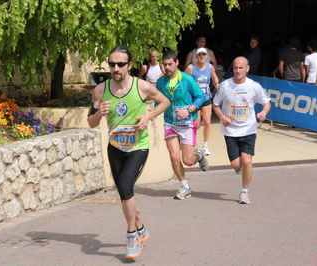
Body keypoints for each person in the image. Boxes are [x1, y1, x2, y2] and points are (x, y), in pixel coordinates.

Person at [87, 46, 170, 258]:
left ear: (130, 65)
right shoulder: (100, 90)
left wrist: (148, 117)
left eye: (121, 64)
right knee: (125, 194)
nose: (116, 68)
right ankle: (142, 228)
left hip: (137, 147)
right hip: (115, 148)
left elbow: (165, 102)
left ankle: (132, 236)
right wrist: (99, 114)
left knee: (125, 186)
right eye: (112, 64)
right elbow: (91, 122)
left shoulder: (141, 87)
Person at [212, 57, 271, 204]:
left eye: (240, 68)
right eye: (235, 68)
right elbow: (215, 105)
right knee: (236, 165)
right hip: (230, 130)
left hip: (248, 129)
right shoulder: (225, 86)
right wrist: (222, 117)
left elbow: (267, 103)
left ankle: (244, 192)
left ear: (247, 69)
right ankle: (241, 169)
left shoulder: (254, 86)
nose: (237, 71)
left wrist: (263, 113)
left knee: (247, 160)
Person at [155, 50, 208, 200]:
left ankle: (199, 156)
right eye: (164, 64)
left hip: (187, 123)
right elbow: (158, 99)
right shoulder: (161, 82)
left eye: (170, 64)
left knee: (188, 161)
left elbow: (201, 96)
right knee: (173, 156)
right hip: (170, 123)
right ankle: (185, 187)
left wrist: (190, 109)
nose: (167, 67)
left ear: (177, 63)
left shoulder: (187, 79)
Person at [184, 47, 220, 155]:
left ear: (207, 56)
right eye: (200, 55)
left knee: (208, 122)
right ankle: (193, 143)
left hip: (206, 98)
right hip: (195, 100)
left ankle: (205, 145)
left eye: (204, 54)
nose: (202, 56)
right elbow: (183, 80)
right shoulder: (191, 68)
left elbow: (215, 77)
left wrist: (216, 83)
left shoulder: (209, 67)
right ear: (196, 57)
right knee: (197, 124)